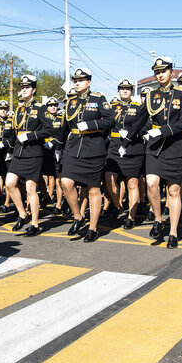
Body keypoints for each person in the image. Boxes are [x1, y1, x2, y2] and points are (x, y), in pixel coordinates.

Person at [122, 57, 182, 249]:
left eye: (163, 71)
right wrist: (127, 141)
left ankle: (173, 232)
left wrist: (163, 131)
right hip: (154, 147)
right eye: (157, 72)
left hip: (175, 146)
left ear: (172, 73)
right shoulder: (151, 95)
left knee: (173, 190)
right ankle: (159, 219)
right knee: (152, 183)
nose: (160, 75)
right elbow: (140, 120)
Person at [59, 67, 114, 242]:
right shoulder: (71, 102)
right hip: (74, 147)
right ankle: (78, 216)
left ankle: (92, 227)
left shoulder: (99, 99)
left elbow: (110, 120)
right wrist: (57, 145)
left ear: (89, 82)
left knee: (93, 189)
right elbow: (65, 126)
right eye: (75, 81)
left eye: (81, 80)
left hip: (93, 148)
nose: (77, 83)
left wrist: (90, 126)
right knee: (66, 182)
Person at [4, 75, 55, 236]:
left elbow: (49, 129)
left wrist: (30, 136)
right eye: (22, 87)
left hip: (33, 152)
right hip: (19, 152)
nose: (24, 89)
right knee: (9, 183)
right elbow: (13, 131)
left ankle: (35, 224)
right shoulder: (19, 109)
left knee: (31, 188)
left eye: (27, 87)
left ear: (33, 90)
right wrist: (10, 151)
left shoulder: (40, 108)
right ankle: (22, 214)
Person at [104, 78, 145, 230]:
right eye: (122, 88)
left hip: (133, 148)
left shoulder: (139, 107)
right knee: (109, 178)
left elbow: (145, 125)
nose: (125, 91)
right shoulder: (112, 107)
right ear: (118, 91)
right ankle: (118, 204)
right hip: (115, 147)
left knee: (132, 183)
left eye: (128, 88)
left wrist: (131, 133)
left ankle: (131, 217)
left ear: (131, 91)